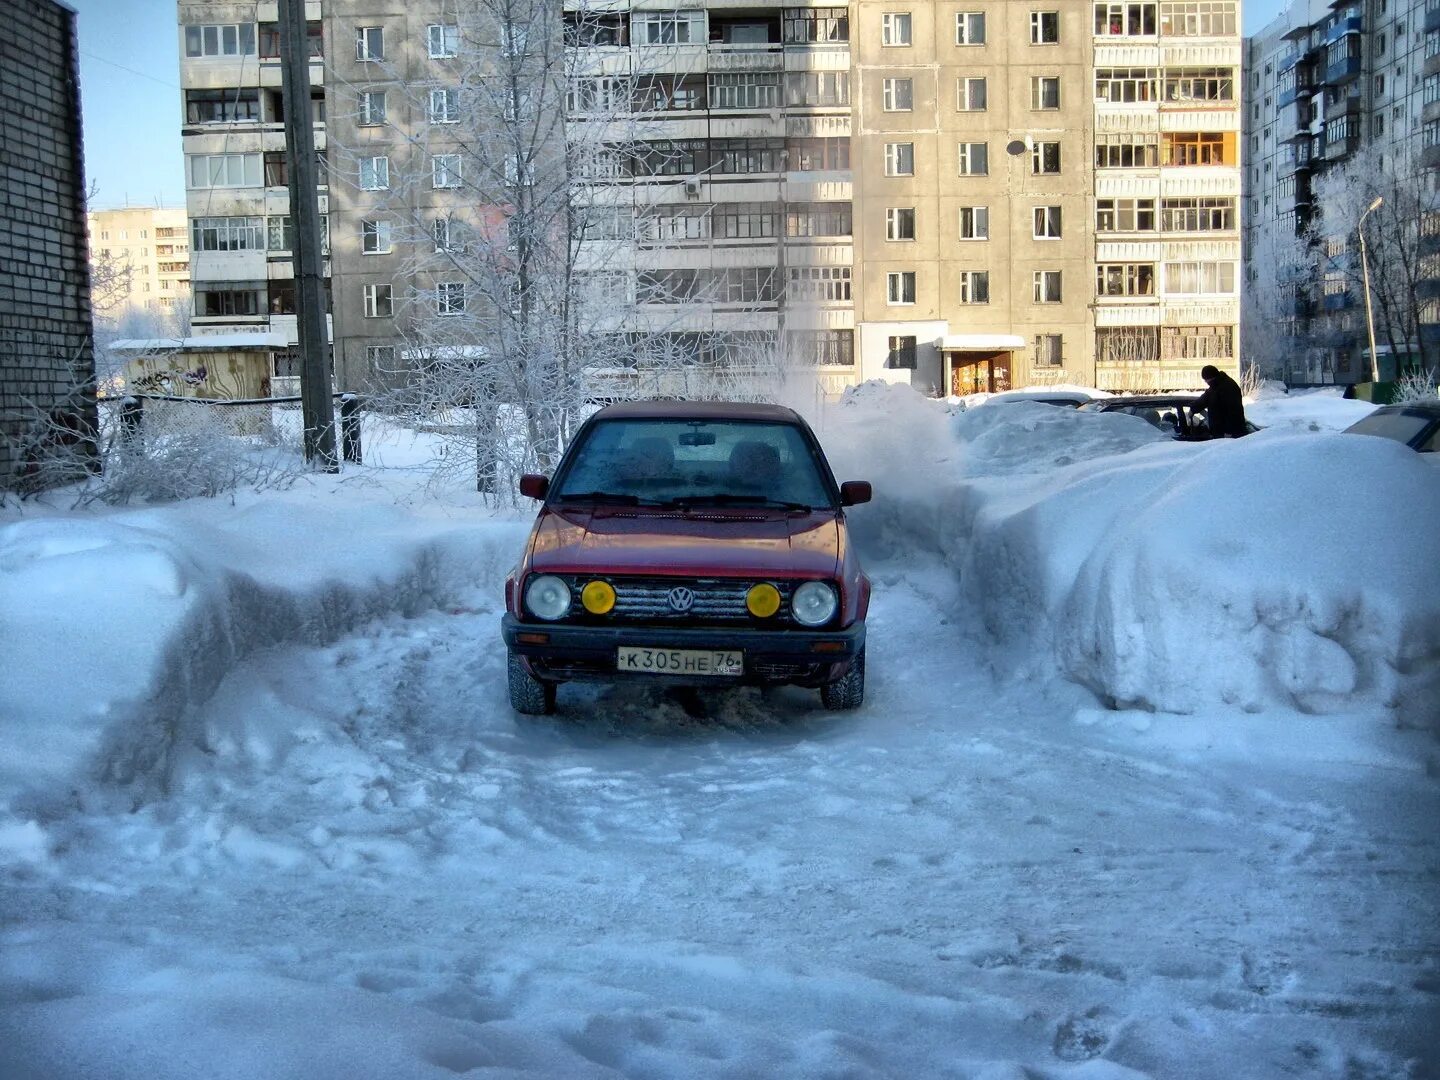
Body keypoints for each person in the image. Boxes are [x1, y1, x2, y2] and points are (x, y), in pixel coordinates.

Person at [1193, 364, 1249, 438]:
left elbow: (1233, 411)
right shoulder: (1216, 386)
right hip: (1220, 432)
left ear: (1211, 377)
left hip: (1230, 434)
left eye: (1206, 380)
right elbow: (1205, 399)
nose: (1206, 382)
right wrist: (1193, 408)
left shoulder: (1228, 387)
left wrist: (1229, 431)